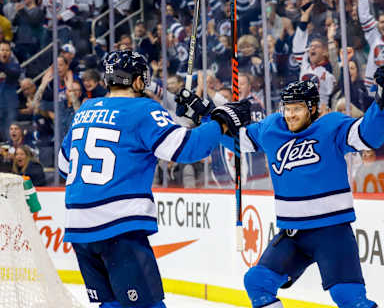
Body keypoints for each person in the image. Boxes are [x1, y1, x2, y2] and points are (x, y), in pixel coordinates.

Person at [177, 61, 384, 308]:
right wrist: (206, 115)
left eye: (297, 109)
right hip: (292, 234)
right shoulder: (272, 128)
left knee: (349, 298)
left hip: (332, 232)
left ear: (313, 108)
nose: (290, 115)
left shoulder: (332, 126)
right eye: (287, 108)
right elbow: (238, 140)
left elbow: (368, 134)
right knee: (257, 282)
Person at [58, 50, 250, 308]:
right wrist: (219, 122)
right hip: (117, 226)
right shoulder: (143, 109)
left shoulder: (85, 110)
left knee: (112, 304)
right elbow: (187, 149)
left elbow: (63, 165)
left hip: (79, 228)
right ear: (137, 81)